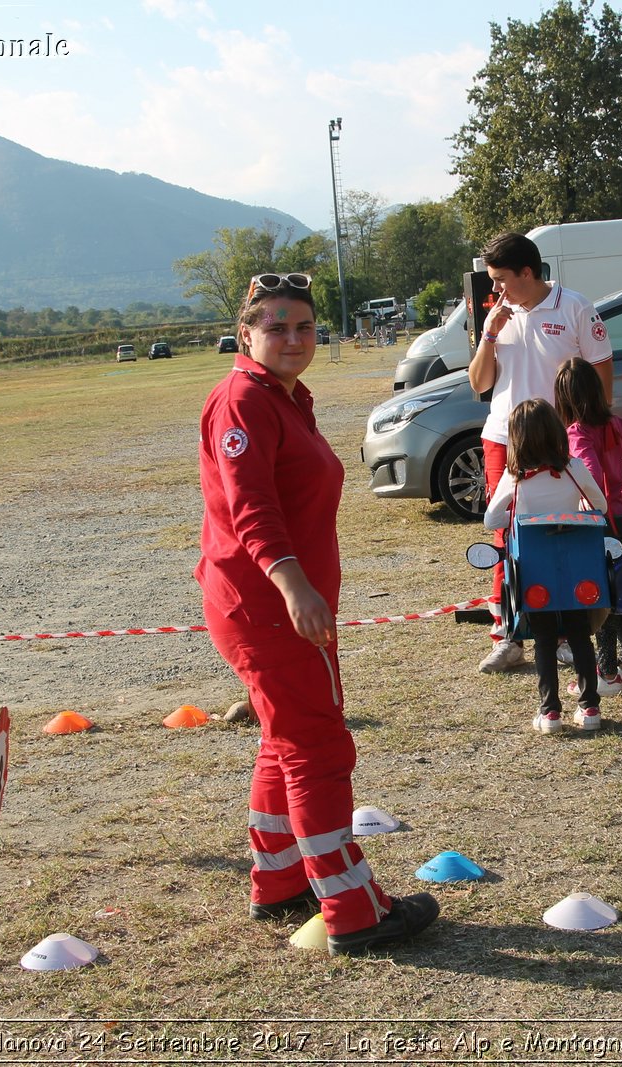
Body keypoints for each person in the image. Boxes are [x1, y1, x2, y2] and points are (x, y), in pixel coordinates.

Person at [195, 271, 438, 957]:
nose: (293, 337)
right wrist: (294, 585)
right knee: (316, 745)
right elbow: (252, 508)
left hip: (273, 604)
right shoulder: (243, 398)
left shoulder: (282, 396)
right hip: (269, 606)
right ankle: (352, 908)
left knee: (285, 737)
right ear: (245, 335)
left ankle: (279, 879)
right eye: (276, 326)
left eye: (304, 326)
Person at [468, 232, 614, 674]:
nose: (496, 290)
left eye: (501, 280)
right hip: (502, 438)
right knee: (505, 535)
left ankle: (568, 632)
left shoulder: (575, 307)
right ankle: (508, 634)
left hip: (558, 441)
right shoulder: (497, 314)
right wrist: (488, 336)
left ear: (527, 273)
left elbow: (602, 376)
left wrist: (585, 432)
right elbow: (478, 383)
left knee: (562, 532)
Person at [484, 398, 610, 733]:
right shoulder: (572, 468)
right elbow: (600, 505)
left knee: (543, 638)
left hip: (535, 568)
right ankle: (589, 707)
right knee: (580, 634)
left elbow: (491, 518)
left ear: (517, 438)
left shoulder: (516, 478)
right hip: (574, 564)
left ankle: (550, 711)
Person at [554, 357, 622, 696]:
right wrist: (621, 495)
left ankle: (606, 673)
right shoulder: (617, 424)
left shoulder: (576, 432)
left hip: (599, 525)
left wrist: (588, 504)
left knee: (604, 598)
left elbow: (590, 475)